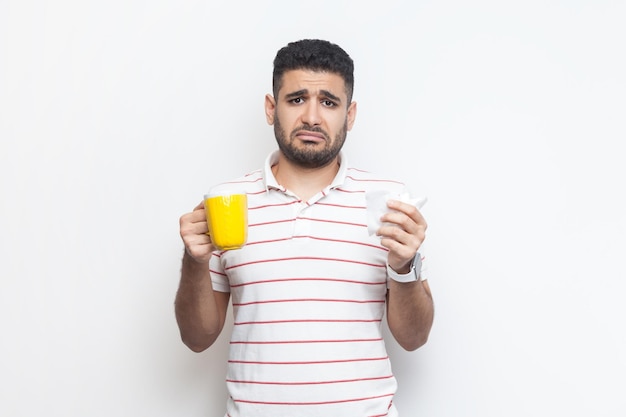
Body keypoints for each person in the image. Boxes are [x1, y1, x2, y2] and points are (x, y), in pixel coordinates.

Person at [175, 38, 434, 417]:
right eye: (296, 99)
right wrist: (194, 262)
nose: (312, 117)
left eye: (329, 102)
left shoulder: (388, 202)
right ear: (270, 108)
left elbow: (414, 338)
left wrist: (404, 265)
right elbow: (196, 338)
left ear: (350, 114)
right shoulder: (226, 202)